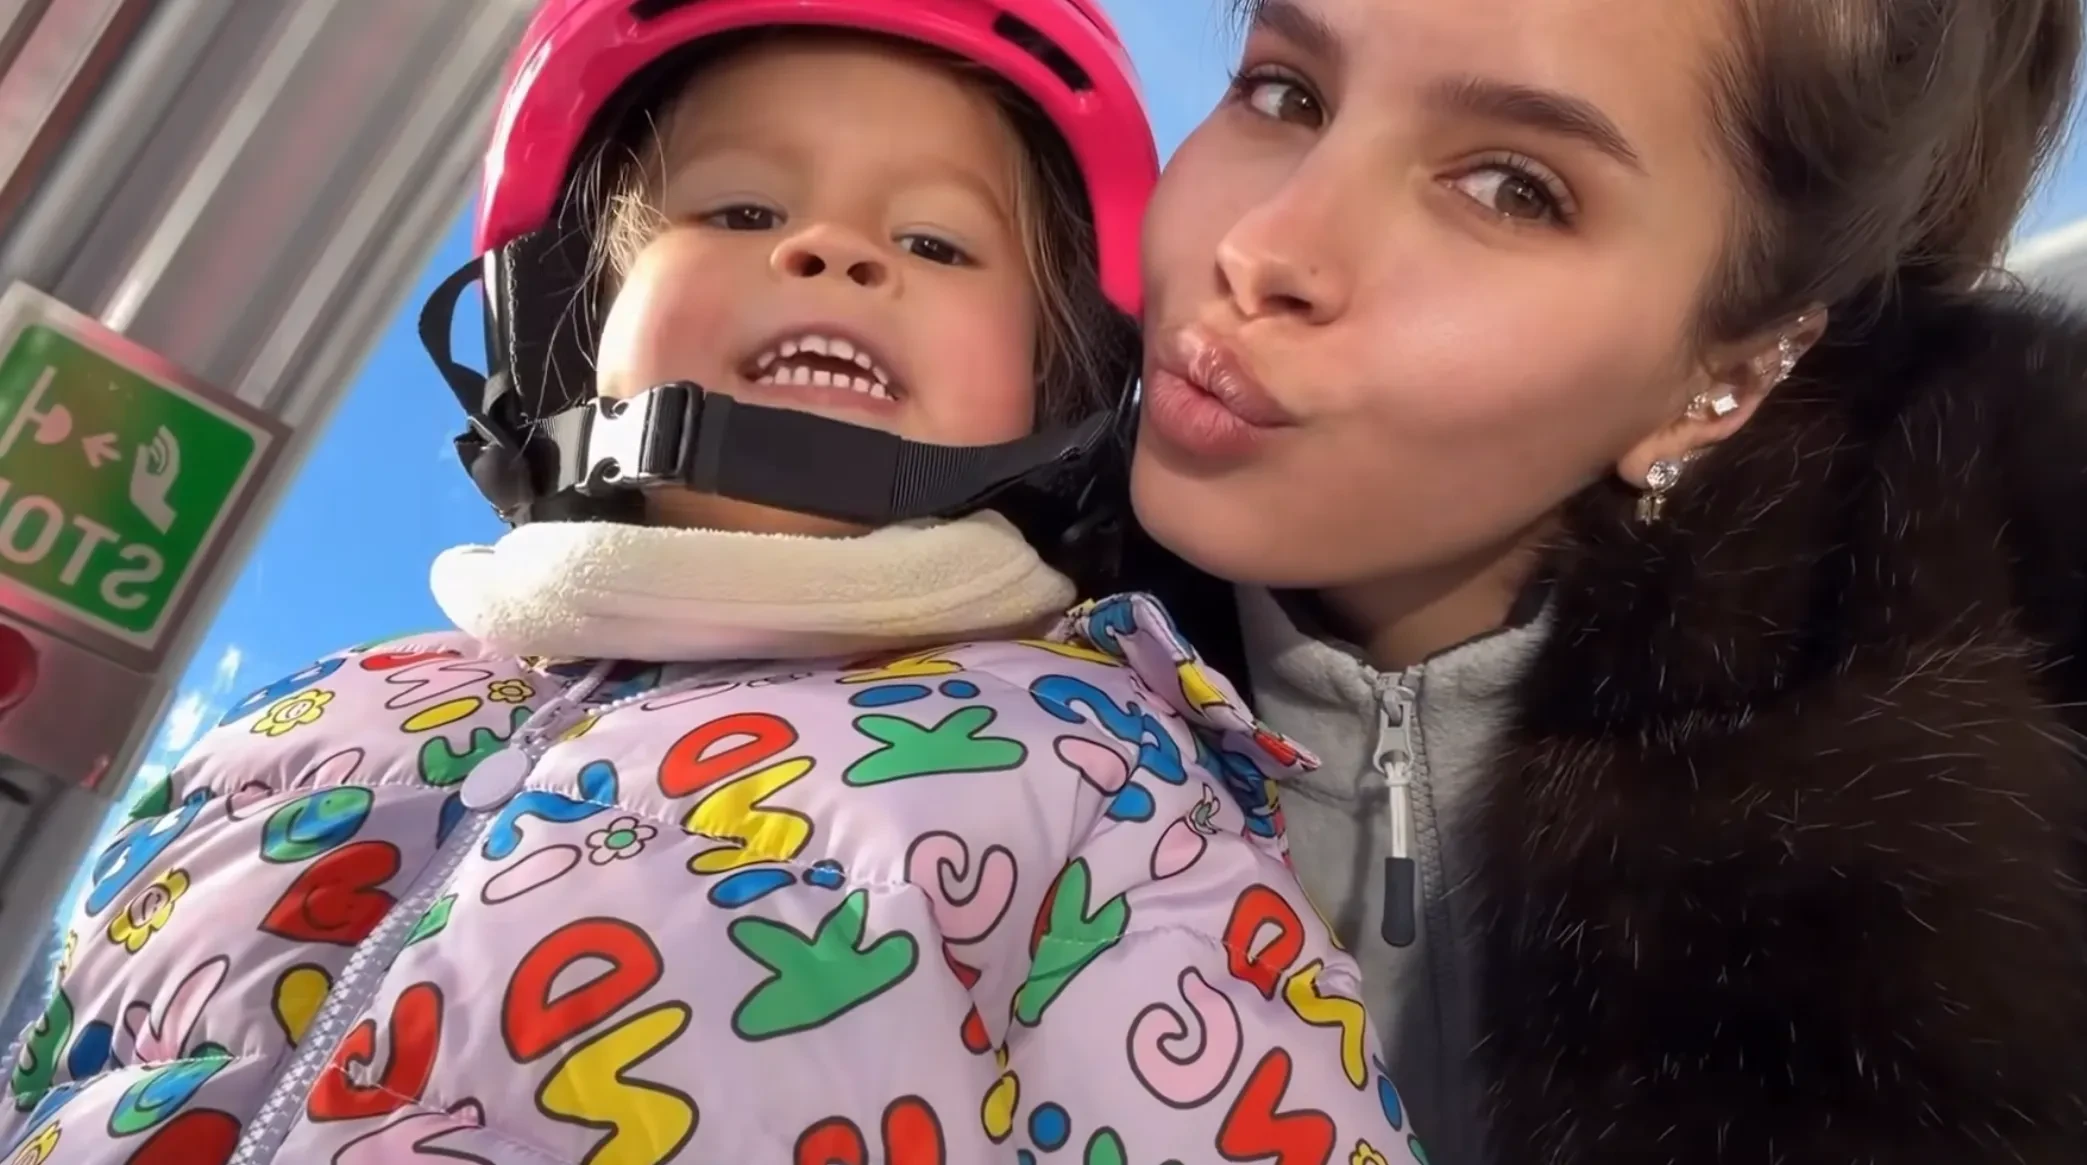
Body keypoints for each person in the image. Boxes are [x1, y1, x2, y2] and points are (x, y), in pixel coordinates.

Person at [0, 3, 1429, 1163]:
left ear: (1059, 391)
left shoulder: (1100, 775)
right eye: (740, 207)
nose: (829, 249)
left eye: (936, 242)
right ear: (568, 318)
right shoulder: (315, 717)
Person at [1119, 0, 2087, 1162]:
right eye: (1285, 95)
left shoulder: (2007, 766)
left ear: (1730, 372)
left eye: (1510, 189)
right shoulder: (960, 656)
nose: (1259, 247)